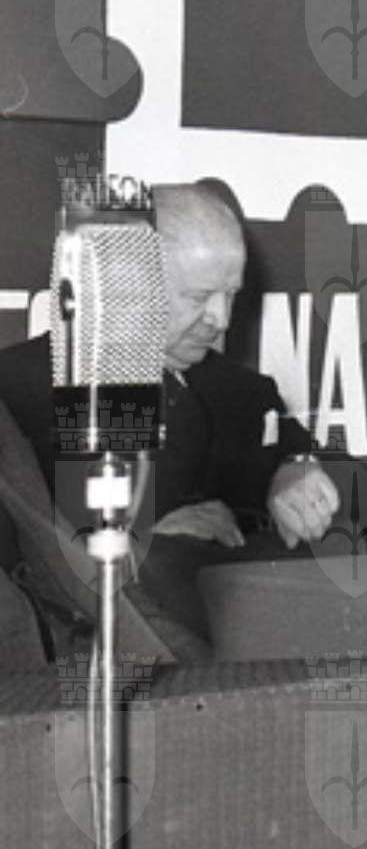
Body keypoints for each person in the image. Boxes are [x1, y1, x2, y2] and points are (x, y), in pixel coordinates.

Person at [0, 184, 340, 646]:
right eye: (199, 297)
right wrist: (143, 543)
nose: (221, 319)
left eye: (230, 294)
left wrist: (294, 472)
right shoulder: (16, 390)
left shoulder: (241, 391)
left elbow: (320, 464)